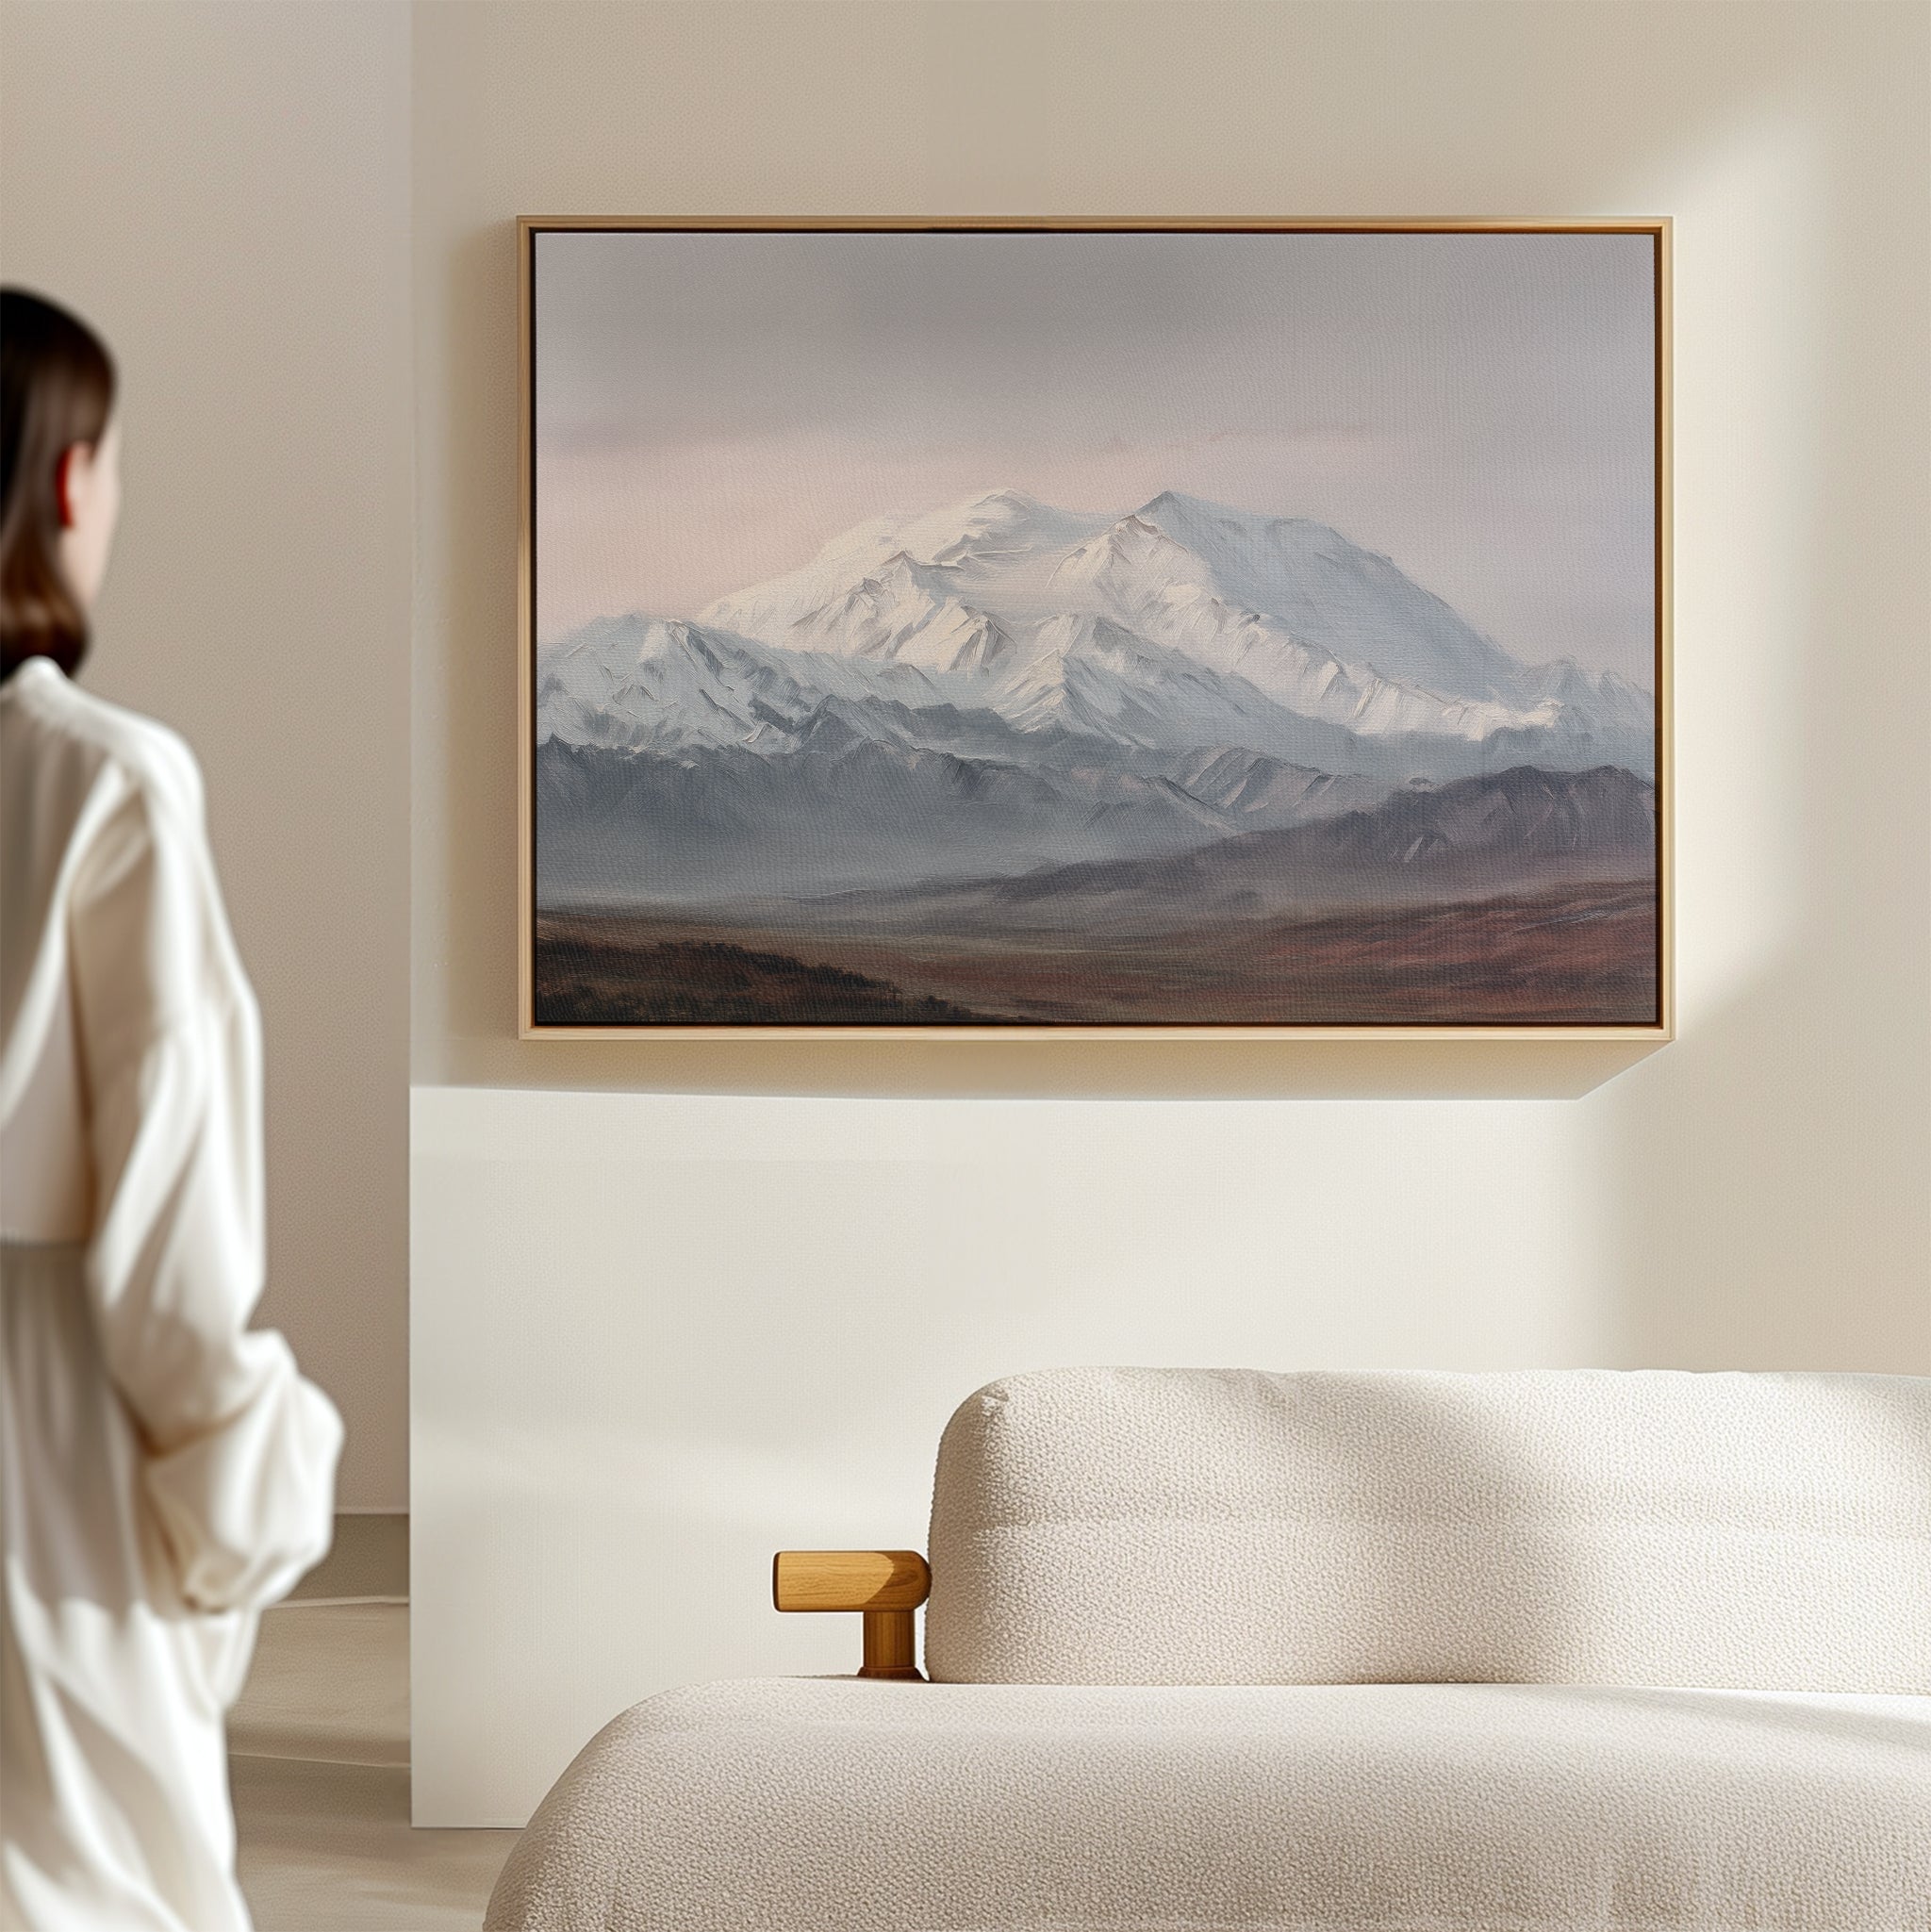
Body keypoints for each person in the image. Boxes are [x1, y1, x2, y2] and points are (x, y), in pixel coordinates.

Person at [0, 289, 342, 1930]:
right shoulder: (102, 783)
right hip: (38, 1457)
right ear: (68, 481)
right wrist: (246, 1492)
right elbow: (167, 1262)